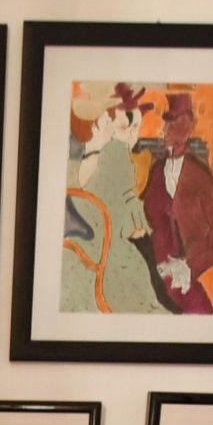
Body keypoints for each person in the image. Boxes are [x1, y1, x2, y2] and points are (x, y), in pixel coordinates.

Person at [61, 84, 162, 314]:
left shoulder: (82, 158)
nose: (132, 136)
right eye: (124, 127)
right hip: (105, 259)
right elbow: (130, 224)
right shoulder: (116, 154)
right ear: (102, 122)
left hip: (82, 256)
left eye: (136, 128)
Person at [138, 91, 213, 315]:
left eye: (170, 124)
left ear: (184, 128)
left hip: (182, 274)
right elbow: (145, 213)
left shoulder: (199, 177)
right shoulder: (157, 170)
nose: (163, 130)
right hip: (151, 263)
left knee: (200, 311)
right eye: (165, 124)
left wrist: (190, 266)